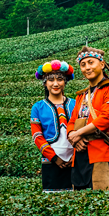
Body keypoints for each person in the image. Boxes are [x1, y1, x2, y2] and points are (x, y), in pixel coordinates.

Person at [67, 45, 109, 191]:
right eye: (83, 64)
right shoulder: (81, 95)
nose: (87, 67)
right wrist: (73, 137)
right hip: (79, 153)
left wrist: (78, 134)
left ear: (101, 64)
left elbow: (106, 118)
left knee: (101, 196)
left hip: (100, 152)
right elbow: (72, 121)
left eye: (91, 63)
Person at [29, 60, 77, 191]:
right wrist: (55, 158)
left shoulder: (76, 104)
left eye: (60, 79)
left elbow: (82, 130)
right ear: (45, 83)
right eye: (51, 80)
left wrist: (75, 156)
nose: (55, 84)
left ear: (65, 82)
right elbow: (37, 135)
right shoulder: (38, 107)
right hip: (51, 162)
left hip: (76, 161)